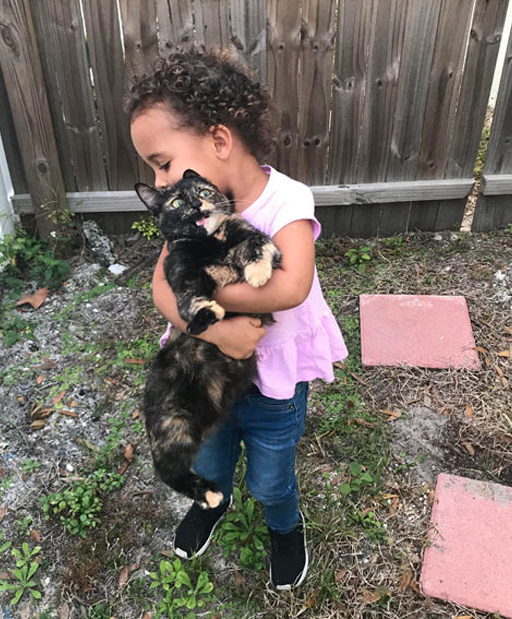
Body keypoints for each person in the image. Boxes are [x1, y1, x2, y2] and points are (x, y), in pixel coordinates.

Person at [126, 48, 347, 590]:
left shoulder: (286, 200)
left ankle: (284, 525)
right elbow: (161, 287)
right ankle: (211, 502)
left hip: (274, 386)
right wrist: (217, 327)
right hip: (208, 382)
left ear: (219, 142)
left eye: (162, 163)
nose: (158, 180)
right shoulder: (184, 216)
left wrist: (208, 296)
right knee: (211, 453)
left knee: (271, 480)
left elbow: (291, 284)